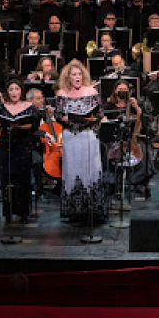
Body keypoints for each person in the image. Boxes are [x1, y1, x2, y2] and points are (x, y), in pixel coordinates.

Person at [56, 60, 105, 222]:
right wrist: (66, 118)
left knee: (90, 170)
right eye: (73, 74)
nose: (77, 77)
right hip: (71, 136)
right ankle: (73, 212)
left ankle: (93, 210)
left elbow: (99, 114)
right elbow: (58, 115)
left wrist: (90, 119)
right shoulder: (62, 93)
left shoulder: (91, 91)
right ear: (68, 77)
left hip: (88, 135)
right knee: (72, 170)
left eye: (79, 74)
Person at [0, 80, 42, 224]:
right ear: (7, 92)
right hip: (6, 146)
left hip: (23, 145)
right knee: (7, 179)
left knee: (23, 179)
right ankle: (8, 212)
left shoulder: (29, 107)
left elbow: (33, 126)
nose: (14, 92)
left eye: (17, 89)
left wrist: (18, 126)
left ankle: (23, 212)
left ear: (21, 91)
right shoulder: (1, 107)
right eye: (11, 89)